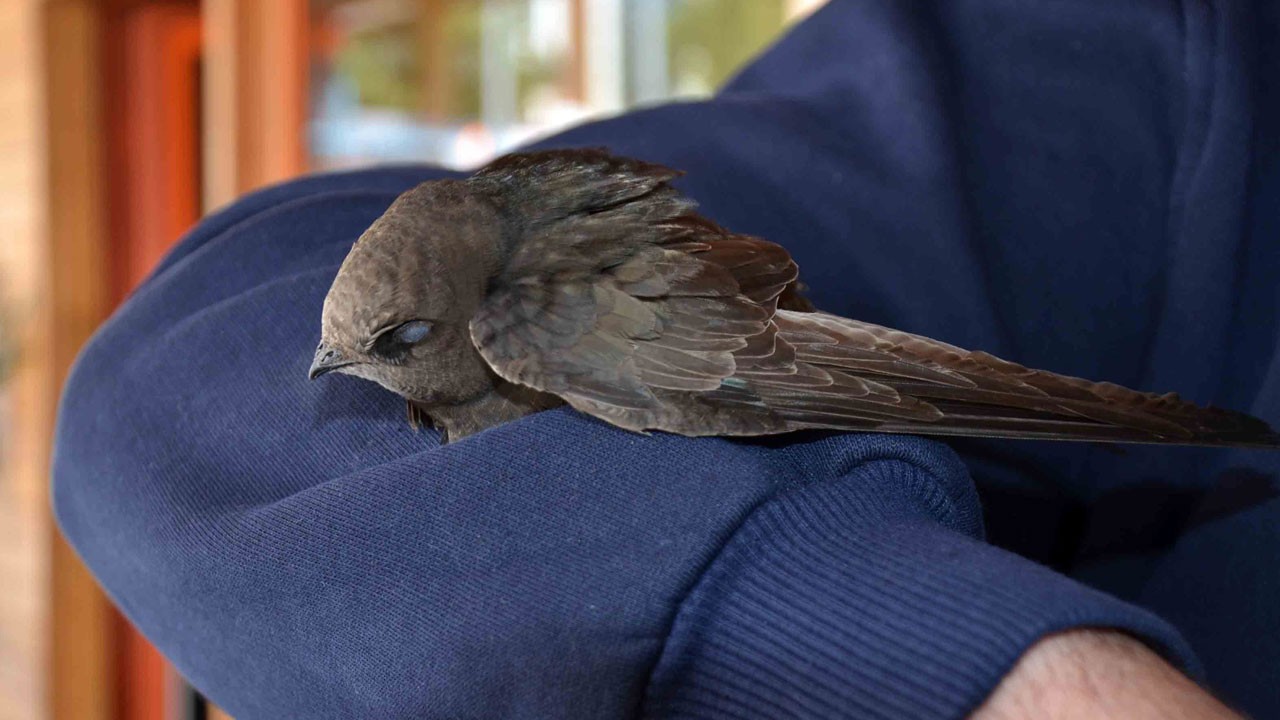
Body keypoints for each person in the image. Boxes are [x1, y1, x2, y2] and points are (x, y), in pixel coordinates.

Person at [53, 0, 1278, 717]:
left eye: (394, 344)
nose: (356, 377)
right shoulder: (1178, 66)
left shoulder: (535, 317)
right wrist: (869, 616)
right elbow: (165, 382)